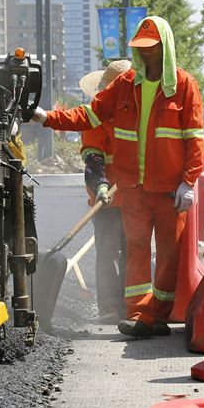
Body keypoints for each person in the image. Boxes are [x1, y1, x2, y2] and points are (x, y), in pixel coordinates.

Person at [31, 16, 204, 337]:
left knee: (167, 255)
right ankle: (135, 314)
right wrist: (47, 117)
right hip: (132, 190)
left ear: (165, 48)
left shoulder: (184, 86)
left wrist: (188, 181)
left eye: (152, 48)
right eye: (142, 49)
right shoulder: (123, 88)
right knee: (133, 252)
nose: (147, 54)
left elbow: (194, 138)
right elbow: (88, 118)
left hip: (168, 191)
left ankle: (156, 316)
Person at [75, 61, 130, 324]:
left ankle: (132, 307)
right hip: (106, 200)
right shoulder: (95, 118)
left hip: (136, 198)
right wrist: (101, 186)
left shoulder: (141, 116)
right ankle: (109, 308)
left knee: (135, 253)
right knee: (108, 253)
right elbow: (93, 160)